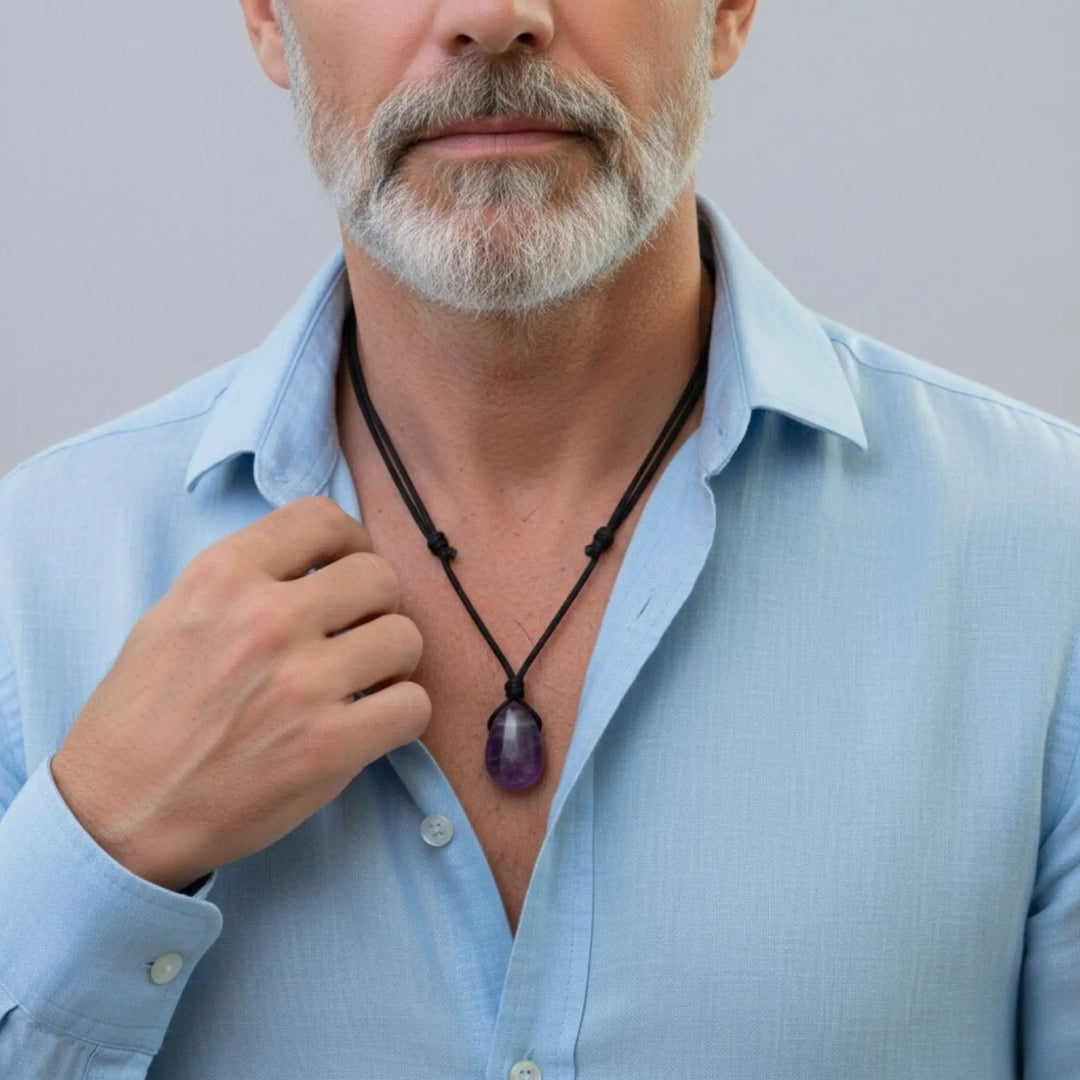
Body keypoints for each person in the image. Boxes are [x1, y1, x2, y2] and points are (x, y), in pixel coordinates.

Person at [0, 0, 1077, 1075]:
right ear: (269, 22)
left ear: (730, 13)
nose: (492, 16)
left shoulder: (1046, 560)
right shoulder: (30, 578)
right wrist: (100, 850)